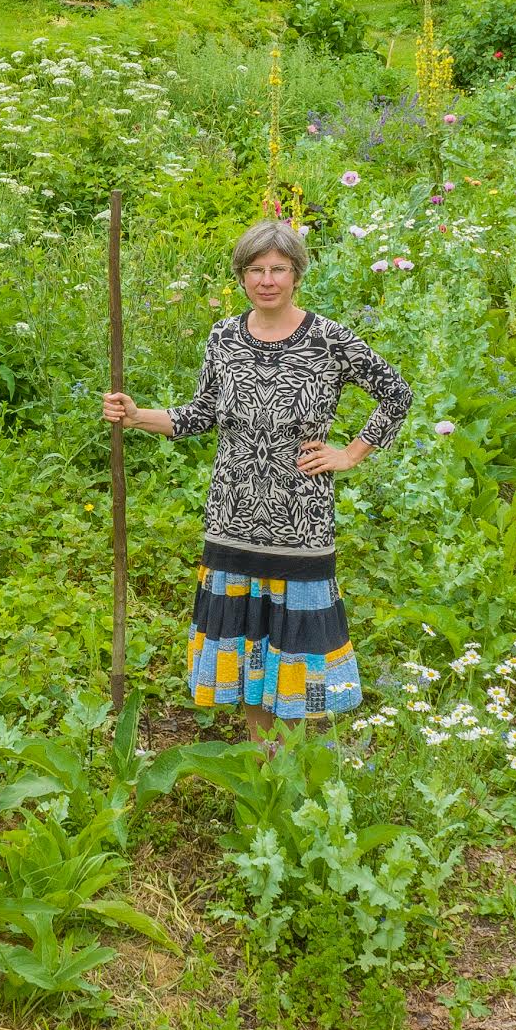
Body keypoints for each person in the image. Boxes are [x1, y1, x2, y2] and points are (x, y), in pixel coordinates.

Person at [102, 218, 412, 742]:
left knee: (293, 646)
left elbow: (395, 393)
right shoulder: (224, 336)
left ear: (297, 274)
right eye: (256, 269)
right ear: (242, 277)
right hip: (233, 517)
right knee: (245, 641)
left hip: (301, 522)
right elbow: (201, 414)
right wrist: (135, 415)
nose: (267, 280)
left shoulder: (330, 339)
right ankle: (260, 762)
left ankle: (288, 768)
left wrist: (351, 454)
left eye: (279, 269)